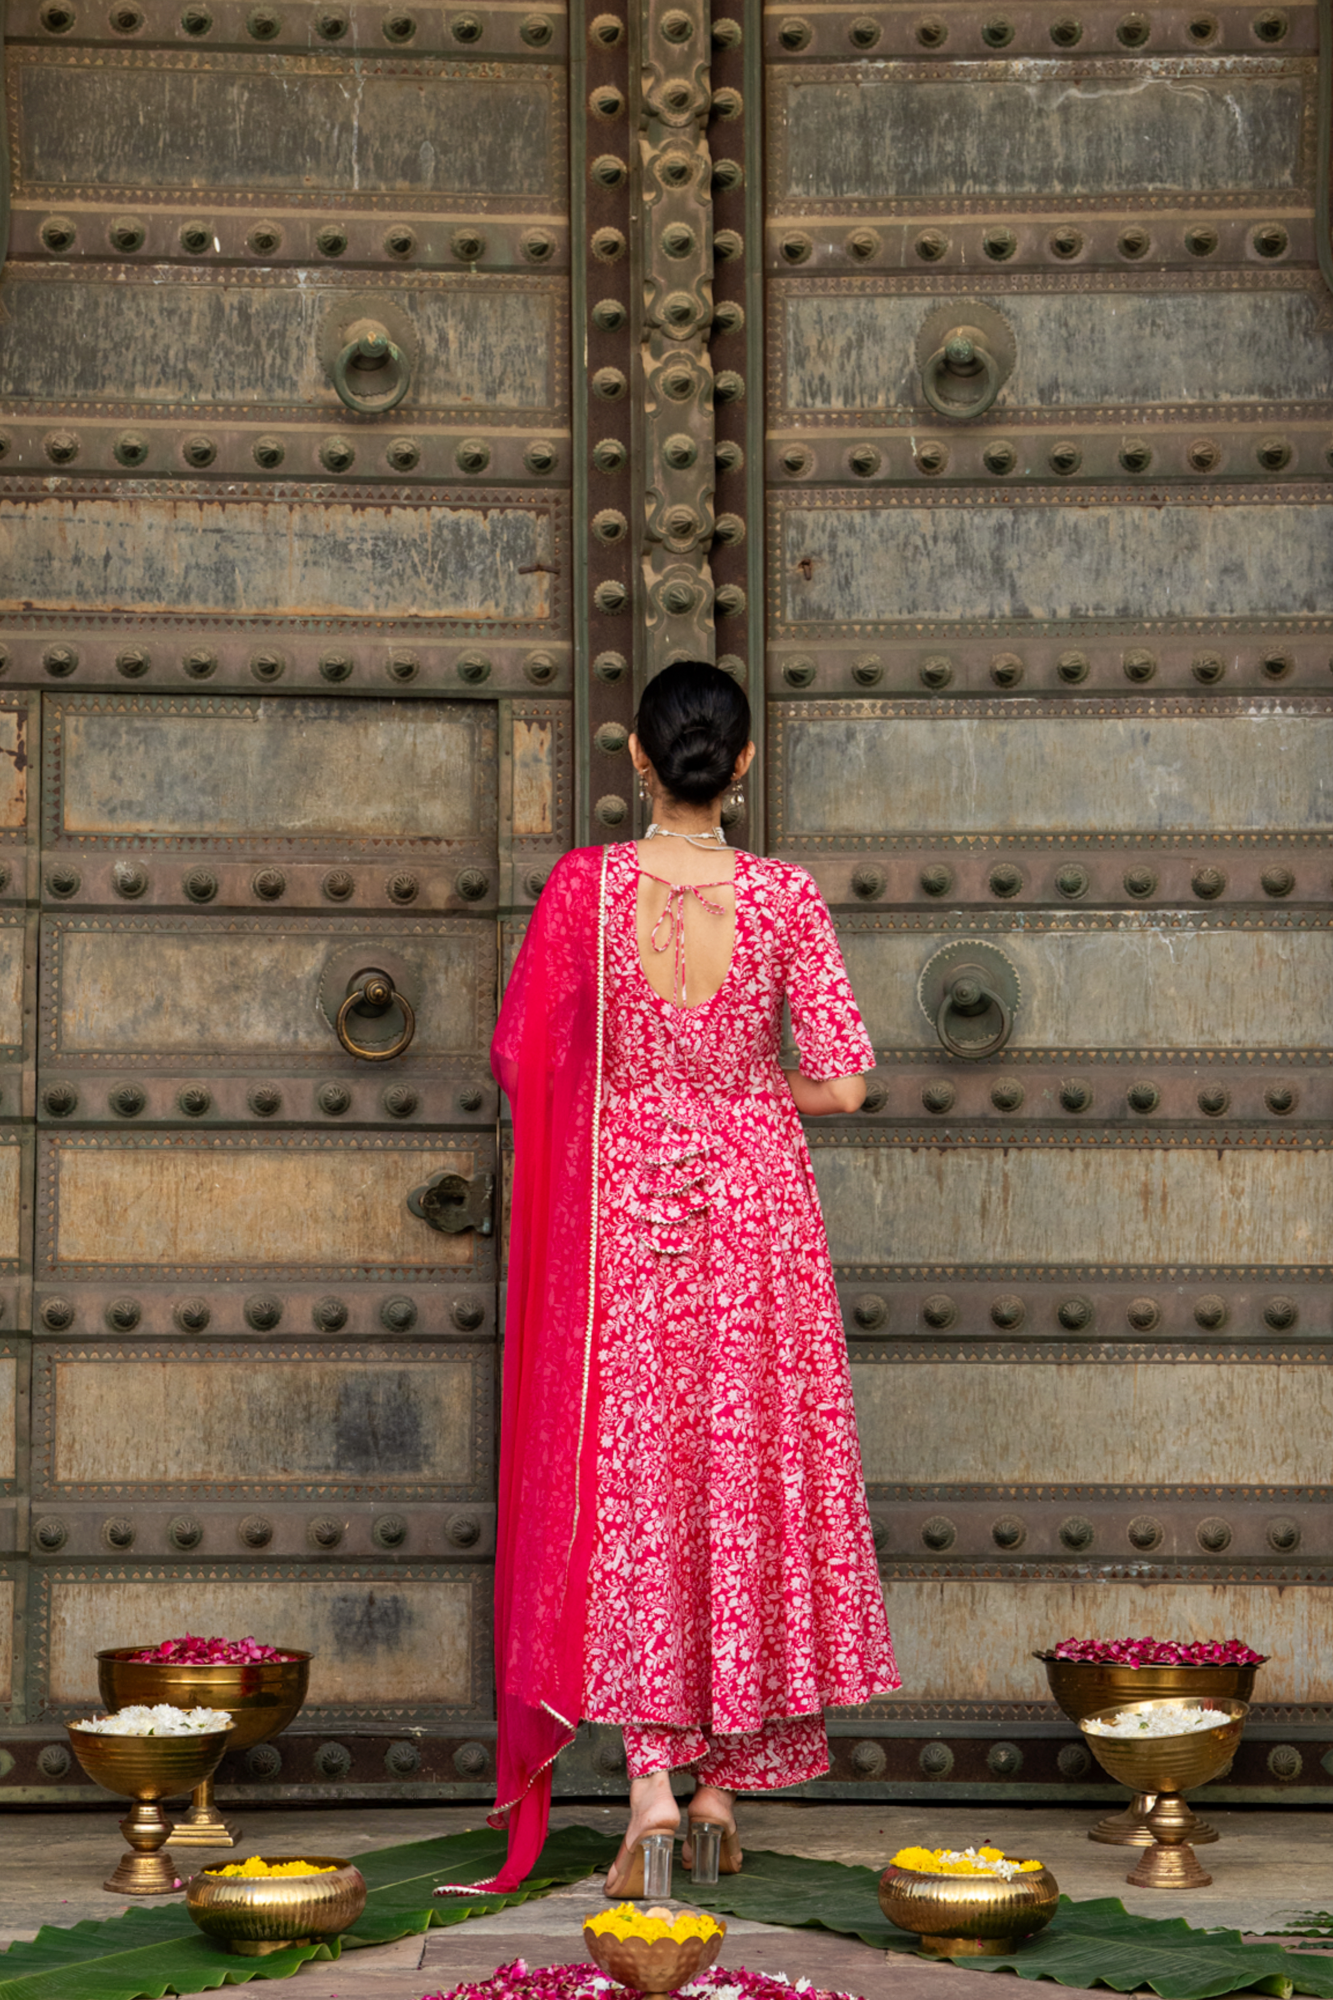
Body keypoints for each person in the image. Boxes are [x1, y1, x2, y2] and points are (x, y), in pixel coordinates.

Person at [457, 660, 898, 1901]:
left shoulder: (585, 890)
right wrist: (746, 1095)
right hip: (758, 1211)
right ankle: (720, 1789)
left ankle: (647, 1792)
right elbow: (846, 1080)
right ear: (742, 764)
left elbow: (523, 1060)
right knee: (744, 1471)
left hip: (626, 1213)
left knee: (640, 1483)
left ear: (638, 761)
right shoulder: (784, 897)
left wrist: (640, 1098)